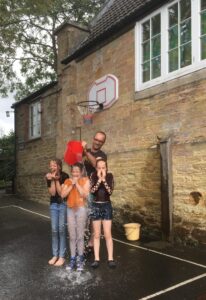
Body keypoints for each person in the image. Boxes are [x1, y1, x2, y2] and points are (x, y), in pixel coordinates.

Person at [81, 131, 107, 254]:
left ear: (103, 143)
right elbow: (77, 167)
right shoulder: (84, 152)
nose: (97, 142)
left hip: (94, 190)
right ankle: (81, 239)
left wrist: (86, 152)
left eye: (100, 141)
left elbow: (97, 165)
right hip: (83, 188)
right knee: (82, 214)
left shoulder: (102, 155)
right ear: (93, 138)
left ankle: (91, 242)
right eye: (96, 139)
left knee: (93, 216)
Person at [61, 162, 90, 271]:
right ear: (71, 172)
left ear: (81, 172)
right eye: (73, 171)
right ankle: (73, 259)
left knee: (80, 236)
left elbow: (84, 194)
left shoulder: (85, 180)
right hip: (70, 210)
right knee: (72, 236)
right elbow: (63, 195)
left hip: (81, 209)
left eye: (77, 171)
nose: (75, 173)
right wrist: (71, 184)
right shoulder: (67, 181)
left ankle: (80, 260)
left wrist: (77, 183)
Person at [90, 158, 116, 269]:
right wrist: (99, 180)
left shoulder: (110, 176)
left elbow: (110, 191)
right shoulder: (93, 176)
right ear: (96, 168)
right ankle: (96, 259)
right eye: (99, 167)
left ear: (106, 168)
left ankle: (110, 258)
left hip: (106, 206)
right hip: (96, 206)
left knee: (107, 234)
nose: (101, 169)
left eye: (103, 167)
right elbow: (92, 191)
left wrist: (104, 179)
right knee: (96, 234)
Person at [45, 158, 69, 266]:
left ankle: (62, 256)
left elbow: (61, 193)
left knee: (62, 229)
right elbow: (53, 193)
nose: (52, 167)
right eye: (51, 165)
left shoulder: (65, 176)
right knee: (54, 230)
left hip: (63, 204)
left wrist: (57, 179)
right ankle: (55, 255)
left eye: (54, 165)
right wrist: (52, 179)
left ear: (59, 166)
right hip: (54, 205)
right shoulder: (49, 177)